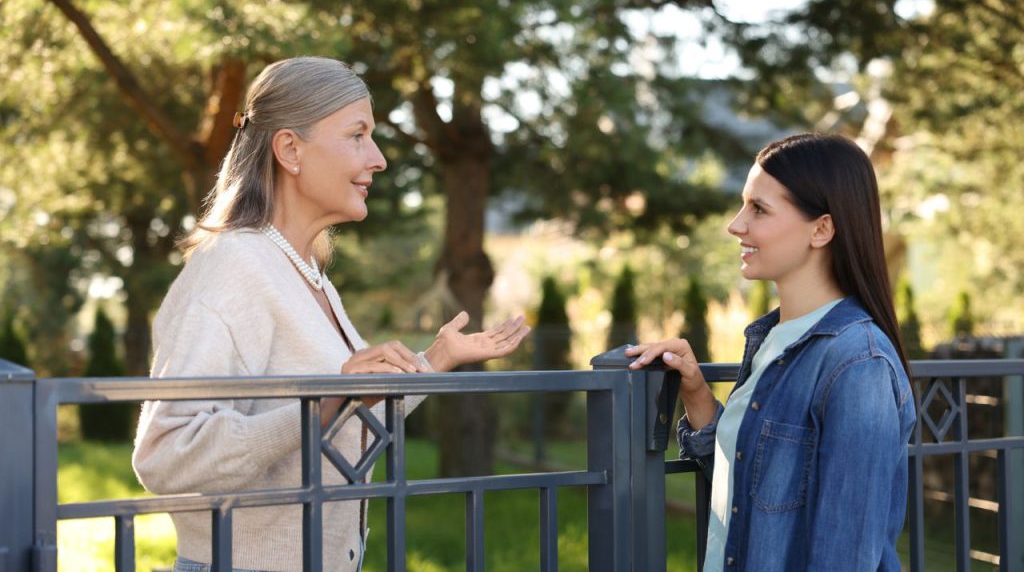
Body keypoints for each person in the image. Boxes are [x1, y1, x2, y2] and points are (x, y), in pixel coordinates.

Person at [132, 56, 530, 572]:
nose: (379, 159)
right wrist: (323, 400)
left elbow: (344, 417)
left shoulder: (307, 273)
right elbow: (166, 454)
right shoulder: (233, 265)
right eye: (357, 135)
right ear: (290, 150)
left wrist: (435, 360)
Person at [626, 133, 917, 571]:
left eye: (758, 209)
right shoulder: (771, 339)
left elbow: (845, 554)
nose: (735, 225)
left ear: (821, 229)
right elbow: (755, 488)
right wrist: (697, 395)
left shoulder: (859, 364)